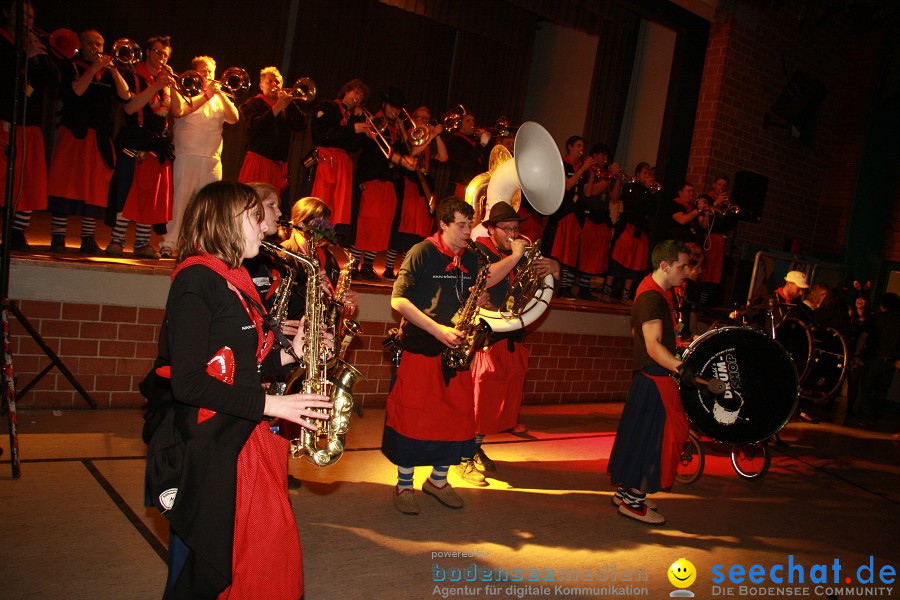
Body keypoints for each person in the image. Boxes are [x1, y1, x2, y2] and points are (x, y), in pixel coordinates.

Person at [144, 180, 331, 597]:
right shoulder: (197, 281)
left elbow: (240, 366)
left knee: (265, 556)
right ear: (225, 222)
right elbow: (189, 382)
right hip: (214, 442)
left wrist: (293, 353)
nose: (265, 224)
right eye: (254, 215)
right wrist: (275, 404)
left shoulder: (235, 277)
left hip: (243, 432)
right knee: (225, 564)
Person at [383, 196, 524, 515]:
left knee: (456, 415)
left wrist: (482, 298)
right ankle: (404, 484)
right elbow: (398, 301)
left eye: (469, 224)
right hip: (421, 343)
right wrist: (437, 330)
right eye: (460, 225)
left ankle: (438, 480)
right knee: (413, 415)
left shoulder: (472, 257)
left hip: (457, 346)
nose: (467, 231)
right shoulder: (422, 252)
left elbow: (477, 288)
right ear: (443, 225)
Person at [464, 201, 559, 484]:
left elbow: (542, 287)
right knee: (479, 403)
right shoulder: (477, 250)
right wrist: (517, 256)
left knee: (495, 406)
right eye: (505, 229)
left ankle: (473, 447)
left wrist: (555, 268)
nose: (512, 234)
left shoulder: (518, 254)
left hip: (511, 337)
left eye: (516, 229)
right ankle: (462, 455)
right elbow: (488, 278)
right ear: (491, 229)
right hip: (485, 338)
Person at [607, 239, 692, 525]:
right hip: (655, 380)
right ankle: (633, 501)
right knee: (651, 442)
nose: (687, 271)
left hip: (650, 379)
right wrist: (682, 369)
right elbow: (653, 346)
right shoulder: (652, 298)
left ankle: (627, 493)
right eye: (682, 266)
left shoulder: (656, 293)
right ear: (665, 266)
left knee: (640, 438)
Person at [46, 28, 130, 255]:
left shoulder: (108, 73)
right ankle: (58, 236)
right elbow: (76, 92)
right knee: (64, 184)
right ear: (81, 46)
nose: (95, 48)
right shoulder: (71, 66)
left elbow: (125, 96)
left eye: (99, 44)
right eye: (90, 43)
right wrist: (94, 69)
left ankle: (88, 238)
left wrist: (113, 71)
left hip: (99, 137)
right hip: (74, 133)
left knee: (94, 189)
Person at [160, 55, 239, 258]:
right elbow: (180, 111)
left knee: (210, 205)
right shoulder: (184, 90)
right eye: (203, 70)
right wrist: (205, 95)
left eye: (210, 71)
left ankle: (204, 245)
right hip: (186, 156)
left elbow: (234, 118)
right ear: (195, 72)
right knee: (180, 202)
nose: (207, 74)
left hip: (212, 160)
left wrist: (219, 94)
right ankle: (169, 243)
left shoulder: (220, 97)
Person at [106, 35, 176, 259]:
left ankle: (142, 243)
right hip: (134, 141)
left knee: (149, 197)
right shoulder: (133, 75)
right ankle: (117, 240)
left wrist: (171, 87)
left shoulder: (166, 83)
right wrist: (155, 85)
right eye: (156, 52)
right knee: (126, 191)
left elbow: (178, 111)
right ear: (147, 52)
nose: (160, 58)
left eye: (164, 55)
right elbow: (130, 107)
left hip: (157, 144)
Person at [0, 1, 55, 251]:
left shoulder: (32, 46)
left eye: (31, 17)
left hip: (30, 124)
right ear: (7, 14)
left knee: (29, 181)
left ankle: (17, 232)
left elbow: (53, 80)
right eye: (21, 14)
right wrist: (24, 56)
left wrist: (39, 54)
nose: (26, 20)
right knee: (3, 180)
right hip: (4, 120)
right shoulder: (4, 41)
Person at [352, 87, 416, 281]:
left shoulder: (396, 127)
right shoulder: (376, 121)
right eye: (392, 107)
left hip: (388, 181)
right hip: (371, 178)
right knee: (366, 223)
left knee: (382, 226)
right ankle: (354, 264)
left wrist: (403, 128)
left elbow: (407, 148)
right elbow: (379, 151)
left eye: (398, 109)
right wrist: (401, 161)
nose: (395, 112)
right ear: (384, 105)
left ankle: (369, 265)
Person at [388, 105, 447, 279]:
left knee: (417, 231)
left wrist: (436, 137)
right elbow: (412, 153)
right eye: (420, 118)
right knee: (402, 227)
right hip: (408, 184)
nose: (423, 121)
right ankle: (389, 267)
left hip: (424, 187)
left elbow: (443, 157)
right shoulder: (407, 134)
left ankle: (406, 269)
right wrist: (431, 136)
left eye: (426, 119)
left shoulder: (428, 138)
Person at [309, 78, 370, 242]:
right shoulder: (328, 106)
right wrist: (352, 128)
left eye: (361, 96)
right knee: (319, 203)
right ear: (346, 91)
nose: (358, 97)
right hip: (325, 160)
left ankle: (327, 242)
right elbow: (321, 134)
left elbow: (354, 147)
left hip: (342, 165)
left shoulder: (355, 117)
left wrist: (359, 126)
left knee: (336, 209)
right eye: (355, 92)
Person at [237, 66, 306, 197]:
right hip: (258, 163)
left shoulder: (287, 108)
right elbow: (255, 126)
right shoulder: (253, 103)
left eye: (278, 82)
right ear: (261, 85)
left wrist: (289, 103)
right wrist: (278, 107)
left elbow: (301, 126)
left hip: (277, 168)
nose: (274, 84)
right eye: (270, 81)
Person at [543, 135, 593, 298]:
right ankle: (550, 285)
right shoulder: (562, 163)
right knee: (557, 250)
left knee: (570, 253)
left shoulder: (580, 167)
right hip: (562, 213)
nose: (581, 149)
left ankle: (565, 286)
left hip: (575, 214)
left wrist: (591, 174)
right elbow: (567, 185)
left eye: (582, 146)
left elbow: (588, 192)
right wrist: (583, 169)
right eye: (578, 145)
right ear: (570, 147)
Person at [605, 162, 657, 303]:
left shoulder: (649, 192)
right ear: (638, 174)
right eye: (645, 173)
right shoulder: (630, 186)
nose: (647, 176)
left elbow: (651, 210)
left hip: (640, 230)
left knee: (635, 263)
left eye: (649, 174)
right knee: (617, 259)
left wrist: (651, 193)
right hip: (627, 227)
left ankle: (626, 294)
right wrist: (645, 190)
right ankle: (607, 289)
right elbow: (632, 204)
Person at [578, 143, 620, 300]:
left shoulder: (605, 174)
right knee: (587, 255)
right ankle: (581, 287)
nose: (605, 159)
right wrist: (609, 176)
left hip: (602, 218)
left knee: (596, 257)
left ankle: (586, 288)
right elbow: (592, 192)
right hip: (589, 217)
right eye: (602, 155)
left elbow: (615, 198)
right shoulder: (589, 172)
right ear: (595, 156)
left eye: (607, 156)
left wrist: (617, 180)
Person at [855, 293, 900, 427]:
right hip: (890, 361)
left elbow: (864, 337)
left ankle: (863, 417)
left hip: (873, 358)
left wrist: (857, 354)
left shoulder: (875, 318)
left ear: (882, 305)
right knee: (881, 391)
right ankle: (874, 418)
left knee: (867, 389)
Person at [444, 112, 491, 198]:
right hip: (459, 186)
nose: (472, 123)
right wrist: (482, 144)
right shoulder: (454, 140)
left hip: (473, 186)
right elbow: (465, 162)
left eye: (473, 121)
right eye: (468, 121)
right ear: (460, 124)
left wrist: (486, 141)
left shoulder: (474, 140)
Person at [668, 181, 704, 247]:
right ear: (680, 193)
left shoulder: (693, 207)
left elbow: (704, 225)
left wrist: (707, 214)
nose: (692, 194)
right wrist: (698, 210)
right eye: (688, 191)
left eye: (693, 191)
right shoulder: (674, 204)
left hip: (693, 243)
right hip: (677, 244)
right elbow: (682, 220)